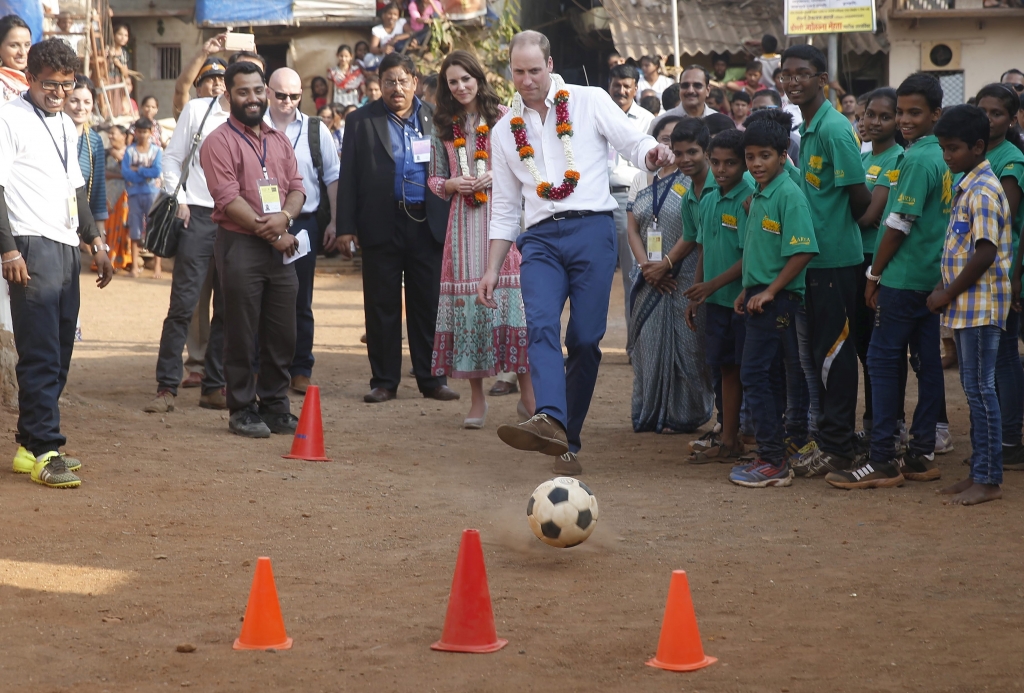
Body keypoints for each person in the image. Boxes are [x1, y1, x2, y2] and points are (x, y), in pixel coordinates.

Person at [481, 30, 673, 475]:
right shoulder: (504, 131)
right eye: (518, 71)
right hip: (540, 240)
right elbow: (507, 208)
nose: (526, 80)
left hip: (592, 229)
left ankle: (566, 437)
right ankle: (550, 415)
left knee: (585, 341)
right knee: (542, 327)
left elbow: (632, 140)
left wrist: (653, 152)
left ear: (550, 66)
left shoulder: (588, 100)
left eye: (533, 70)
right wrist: (492, 268)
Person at [826, 74, 948, 489]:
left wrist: (873, 274)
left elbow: (896, 222)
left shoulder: (914, 160)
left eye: (914, 112)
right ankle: (920, 453)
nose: (904, 119)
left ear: (936, 114)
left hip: (902, 275)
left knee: (881, 360)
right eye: (902, 112)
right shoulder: (939, 157)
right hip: (927, 276)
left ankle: (881, 460)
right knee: (926, 362)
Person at [0, 38, 113, 487]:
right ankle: (48, 450)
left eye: (66, 86)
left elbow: (76, 191)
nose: (58, 93)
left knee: (62, 346)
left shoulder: (67, 125)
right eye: (49, 84)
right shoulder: (8, 118)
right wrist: (8, 249)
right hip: (30, 244)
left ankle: (29, 445)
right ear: (30, 78)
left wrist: (97, 242)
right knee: (41, 351)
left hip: (66, 246)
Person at [338, 52, 459, 404]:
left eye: (403, 80)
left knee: (429, 303)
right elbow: (349, 178)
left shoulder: (436, 119)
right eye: (389, 81)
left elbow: (452, 169)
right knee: (381, 304)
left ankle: (433, 379)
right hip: (380, 222)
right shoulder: (361, 120)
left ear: (415, 82)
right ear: (380, 85)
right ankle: (384, 381)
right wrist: (345, 227)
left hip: (427, 223)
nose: (396, 88)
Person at [427, 50, 534, 427]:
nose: (460, 87)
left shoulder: (504, 116)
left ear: (478, 78)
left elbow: (527, 166)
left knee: (513, 304)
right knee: (468, 309)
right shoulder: (443, 124)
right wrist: (453, 184)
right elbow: (434, 179)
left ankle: (528, 397)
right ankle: (477, 402)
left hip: (501, 220)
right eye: (452, 81)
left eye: (466, 79)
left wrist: (497, 177)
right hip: (462, 226)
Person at [200, 60, 305, 438]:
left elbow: (297, 185)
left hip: (279, 246)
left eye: (258, 90)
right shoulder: (218, 142)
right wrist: (275, 233)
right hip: (240, 245)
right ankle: (242, 408)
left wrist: (287, 218)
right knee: (241, 331)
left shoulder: (278, 139)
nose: (253, 98)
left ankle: (275, 405)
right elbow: (228, 199)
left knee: (283, 331)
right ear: (229, 97)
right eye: (243, 92)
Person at [780, 44, 872, 477]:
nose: (792, 80)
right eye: (786, 74)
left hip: (835, 260)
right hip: (814, 261)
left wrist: (835, 229)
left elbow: (859, 198)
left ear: (822, 79)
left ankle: (838, 448)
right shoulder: (810, 127)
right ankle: (834, 440)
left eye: (802, 73)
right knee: (820, 354)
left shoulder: (835, 129)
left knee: (835, 354)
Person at [728, 110, 818, 488]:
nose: (756, 164)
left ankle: (772, 461)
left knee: (754, 373)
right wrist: (748, 288)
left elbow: (803, 251)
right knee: (767, 375)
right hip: (758, 298)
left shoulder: (789, 195)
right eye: (751, 157)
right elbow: (759, 248)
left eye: (765, 156)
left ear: (783, 156)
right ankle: (774, 451)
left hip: (777, 303)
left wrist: (770, 291)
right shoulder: (761, 193)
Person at [930, 105, 1013, 506]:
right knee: (974, 388)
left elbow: (984, 253)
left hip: (981, 305)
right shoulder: (967, 183)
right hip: (968, 306)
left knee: (981, 390)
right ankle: (978, 470)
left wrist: (946, 292)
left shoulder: (982, 190)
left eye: (954, 148)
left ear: (978, 146)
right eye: (943, 148)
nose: (947, 156)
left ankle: (988, 477)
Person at [144, 68, 232, 414]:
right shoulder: (198, 110)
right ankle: (166, 387)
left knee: (228, 307)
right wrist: (176, 196)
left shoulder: (257, 115)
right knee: (182, 305)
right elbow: (172, 157)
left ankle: (214, 386)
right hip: (196, 215)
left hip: (237, 220)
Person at [627, 117, 713, 434]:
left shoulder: (698, 180)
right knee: (648, 347)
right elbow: (632, 225)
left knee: (690, 348)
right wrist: (648, 269)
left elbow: (696, 231)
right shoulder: (643, 177)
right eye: (671, 145)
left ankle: (688, 414)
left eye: (689, 150)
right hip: (649, 275)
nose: (678, 155)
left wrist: (666, 263)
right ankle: (649, 413)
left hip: (686, 273)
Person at [264, 67, 340, 394]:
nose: (287, 101)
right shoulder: (255, 126)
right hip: (261, 223)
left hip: (305, 223)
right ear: (268, 92)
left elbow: (333, 176)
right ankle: (260, 367)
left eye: (294, 96)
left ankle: (300, 368)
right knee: (260, 297)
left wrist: (336, 222)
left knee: (300, 298)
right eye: (281, 95)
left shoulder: (315, 129)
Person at [684, 128, 753, 461]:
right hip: (716, 302)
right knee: (725, 368)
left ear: (744, 164)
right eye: (716, 162)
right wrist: (700, 292)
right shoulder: (709, 198)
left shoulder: (749, 197)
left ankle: (758, 438)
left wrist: (711, 286)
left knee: (749, 370)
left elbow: (751, 256)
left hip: (742, 301)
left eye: (731, 163)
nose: (722, 169)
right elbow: (703, 247)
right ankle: (728, 438)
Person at [853, 88, 905, 446]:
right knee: (862, 346)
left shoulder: (897, 160)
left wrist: (829, 215)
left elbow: (871, 215)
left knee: (880, 348)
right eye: (869, 114)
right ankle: (873, 423)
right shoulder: (863, 155)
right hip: (855, 257)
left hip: (877, 261)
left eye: (884, 116)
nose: (873, 121)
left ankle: (891, 425)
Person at [977, 83, 1024, 469]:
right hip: (980, 271)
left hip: (1001, 269)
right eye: (984, 111)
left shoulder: (1010, 160)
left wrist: (1017, 276)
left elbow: (1003, 219)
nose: (989, 119)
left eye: (997, 113)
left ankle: (1009, 438)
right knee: (990, 359)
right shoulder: (976, 153)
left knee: (1005, 356)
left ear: (1011, 119)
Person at [607, 63, 654, 358]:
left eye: (627, 85)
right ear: (608, 84)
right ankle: (583, 345)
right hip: (594, 200)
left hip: (630, 201)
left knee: (631, 275)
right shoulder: (595, 114)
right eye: (616, 84)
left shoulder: (647, 120)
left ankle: (634, 345)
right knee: (588, 275)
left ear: (636, 89)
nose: (621, 90)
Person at [66, 78, 107, 240]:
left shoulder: (95, 141)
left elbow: (98, 190)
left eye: (87, 102)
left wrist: (99, 236)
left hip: (80, 226)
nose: (80, 108)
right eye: (74, 101)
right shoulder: (50, 135)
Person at [121, 117, 162, 279]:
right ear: (136, 132)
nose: (143, 135)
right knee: (135, 229)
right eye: (140, 132)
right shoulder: (130, 151)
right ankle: (134, 267)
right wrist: (145, 171)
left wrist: (137, 170)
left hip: (152, 193)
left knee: (155, 228)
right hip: (135, 194)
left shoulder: (157, 151)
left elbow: (157, 171)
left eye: (146, 132)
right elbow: (125, 173)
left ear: (150, 133)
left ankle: (157, 267)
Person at [649, 64, 717, 135]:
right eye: (685, 85)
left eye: (697, 85)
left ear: (707, 90)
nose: (690, 90)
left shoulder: (719, 122)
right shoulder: (659, 123)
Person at [172, 33, 227, 118]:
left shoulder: (234, 112)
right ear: (198, 91)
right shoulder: (192, 110)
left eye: (222, 79)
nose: (217, 83)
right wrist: (204, 53)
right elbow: (181, 90)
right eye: (210, 79)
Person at [104, 124, 132, 270]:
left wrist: (119, 158)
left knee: (124, 226)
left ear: (123, 136)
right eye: (109, 133)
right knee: (108, 227)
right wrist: (121, 176)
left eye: (113, 133)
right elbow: (103, 173)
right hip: (109, 196)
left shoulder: (131, 152)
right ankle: (108, 260)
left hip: (126, 197)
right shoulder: (105, 153)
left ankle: (124, 259)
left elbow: (132, 173)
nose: (110, 136)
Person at [0, 14, 31, 102]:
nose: (23, 52)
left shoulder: (35, 78)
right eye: (14, 45)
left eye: (27, 45)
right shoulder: (2, 83)